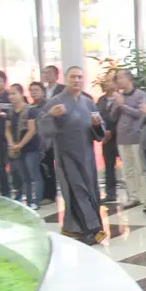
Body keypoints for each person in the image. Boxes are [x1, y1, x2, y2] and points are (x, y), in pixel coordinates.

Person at [38, 67, 108, 244]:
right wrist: (51, 115)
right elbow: (41, 124)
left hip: (87, 154)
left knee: (90, 190)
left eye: (79, 77)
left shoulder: (88, 102)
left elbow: (100, 130)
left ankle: (71, 228)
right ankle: (93, 229)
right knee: (78, 191)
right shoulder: (56, 101)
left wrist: (97, 125)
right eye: (72, 77)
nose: (76, 80)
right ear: (66, 79)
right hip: (66, 155)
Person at [114, 70, 146, 210]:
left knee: (140, 169)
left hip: (136, 136)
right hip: (121, 138)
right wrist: (116, 106)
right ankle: (132, 197)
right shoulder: (119, 96)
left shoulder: (140, 94)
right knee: (128, 169)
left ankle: (145, 198)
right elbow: (112, 117)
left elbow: (140, 114)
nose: (118, 81)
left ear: (129, 79)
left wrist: (123, 105)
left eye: (120, 78)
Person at [5, 84, 43, 209]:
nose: (12, 97)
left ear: (21, 94)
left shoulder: (30, 110)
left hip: (30, 147)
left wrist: (20, 145)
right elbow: (7, 129)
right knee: (24, 176)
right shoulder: (10, 111)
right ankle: (28, 199)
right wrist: (11, 143)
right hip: (17, 148)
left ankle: (36, 201)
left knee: (34, 174)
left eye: (14, 93)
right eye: (10, 94)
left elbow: (31, 130)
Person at [29, 81, 55, 205]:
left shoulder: (49, 106)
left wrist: (47, 142)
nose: (34, 92)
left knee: (48, 169)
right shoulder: (31, 108)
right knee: (40, 170)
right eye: (32, 90)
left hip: (48, 143)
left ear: (43, 92)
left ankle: (50, 195)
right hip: (36, 144)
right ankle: (43, 194)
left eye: (36, 90)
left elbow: (50, 126)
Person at [96, 76, 120, 204]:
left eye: (108, 81)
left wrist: (112, 130)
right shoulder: (101, 100)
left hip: (120, 136)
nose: (105, 83)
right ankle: (110, 193)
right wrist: (103, 132)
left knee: (129, 167)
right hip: (106, 138)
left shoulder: (120, 98)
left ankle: (134, 194)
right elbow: (97, 116)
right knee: (109, 166)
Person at [0, 71, 11, 198]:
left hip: (9, 137)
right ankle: (4, 192)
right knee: (0, 166)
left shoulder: (11, 96)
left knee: (14, 167)